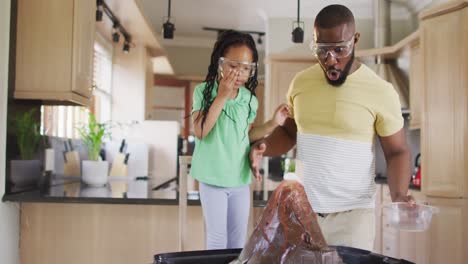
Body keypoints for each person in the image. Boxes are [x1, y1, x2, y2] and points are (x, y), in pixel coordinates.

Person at [249, 5, 414, 251]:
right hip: (302, 212)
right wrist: (262, 147)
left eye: (339, 49)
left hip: (353, 216)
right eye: (322, 50)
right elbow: (289, 134)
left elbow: (397, 151)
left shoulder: (380, 91)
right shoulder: (301, 83)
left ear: (355, 40)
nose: (330, 59)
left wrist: (399, 195)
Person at [191, 30, 289, 250]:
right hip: (211, 178)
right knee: (217, 241)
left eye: (246, 68)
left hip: (240, 178)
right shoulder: (203, 92)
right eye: (233, 66)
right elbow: (200, 131)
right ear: (220, 64)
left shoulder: (249, 100)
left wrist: (274, 122)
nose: (239, 73)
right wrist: (222, 96)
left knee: (238, 243)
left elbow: (246, 135)